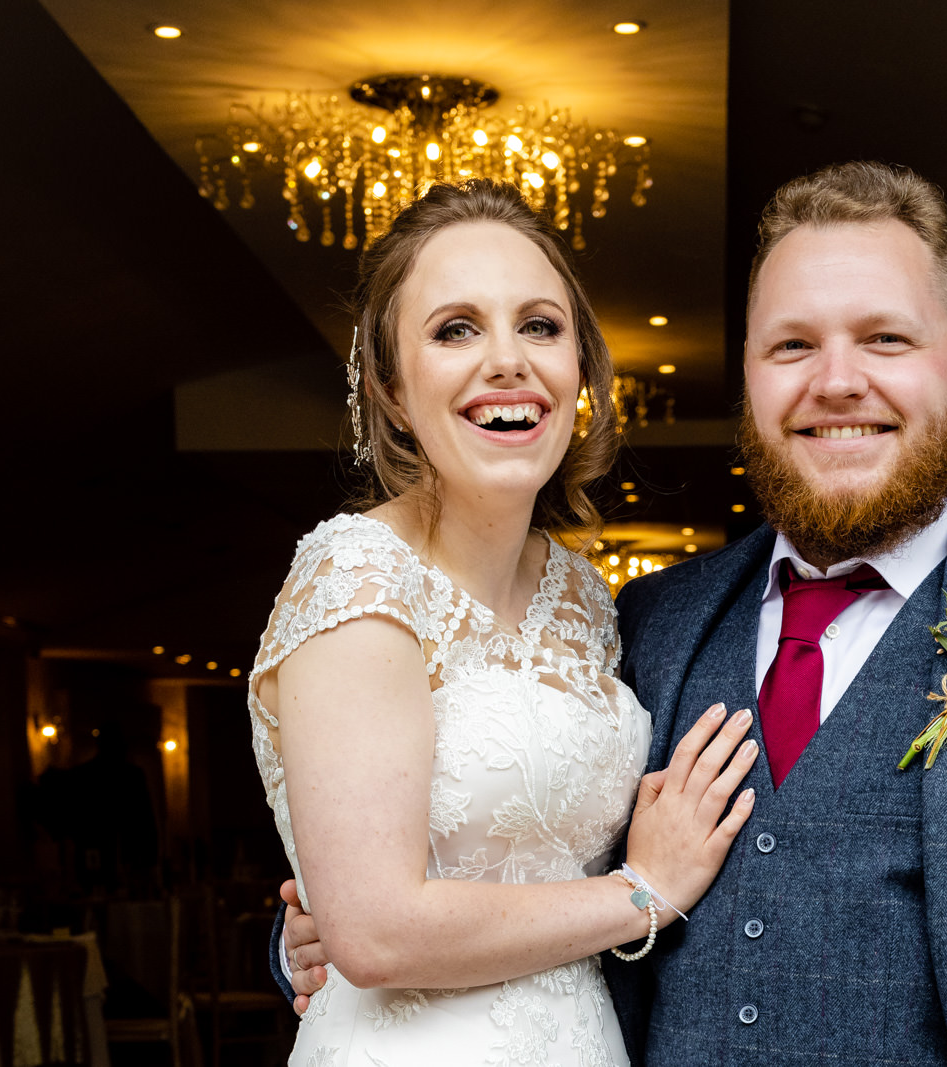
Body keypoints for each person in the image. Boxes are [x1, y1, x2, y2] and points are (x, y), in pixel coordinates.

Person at [281, 162, 947, 1063]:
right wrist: (319, 936)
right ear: (747, 378)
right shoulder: (649, 621)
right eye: (791, 345)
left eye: (884, 338)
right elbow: (501, 838)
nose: (835, 381)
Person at [247, 178, 758, 1066]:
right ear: (392, 390)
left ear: (579, 370)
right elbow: (373, 932)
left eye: (539, 326)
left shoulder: (587, 599)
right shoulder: (355, 574)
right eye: (455, 329)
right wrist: (643, 892)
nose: (507, 360)